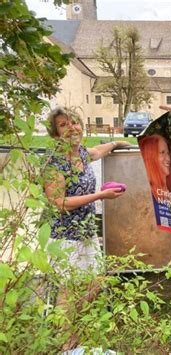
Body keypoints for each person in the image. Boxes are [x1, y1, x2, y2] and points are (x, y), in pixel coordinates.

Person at [44, 106, 130, 350]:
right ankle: (67, 344)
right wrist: (99, 196)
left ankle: (74, 328)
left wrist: (114, 144)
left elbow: (96, 151)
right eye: (63, 125)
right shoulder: (54, 163)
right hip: (64, 237)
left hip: (86, 233)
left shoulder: (81, 153)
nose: (71, 128)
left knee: (94, 282)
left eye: (74, 122)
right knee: (67, 290)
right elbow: (59, 203)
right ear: (55, 133)